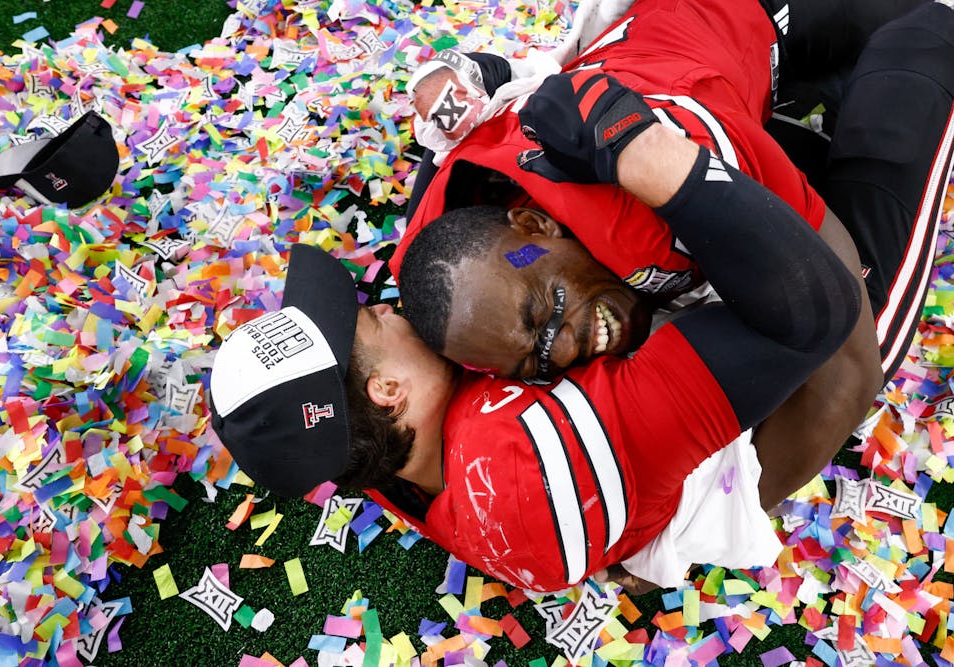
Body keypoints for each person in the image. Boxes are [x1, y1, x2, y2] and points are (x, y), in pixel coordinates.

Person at [209, 75, 863, 592]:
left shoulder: (375, 454)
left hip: (635, 433)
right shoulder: (532, 459)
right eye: (373, 318)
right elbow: (811, 325)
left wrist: (469, 84)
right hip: (770, 385)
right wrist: (647, 152)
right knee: (908, 79)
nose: (390, 308)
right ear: (385, 389)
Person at [395, 0, 942, 386]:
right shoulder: (446, 262)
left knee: (855, 332)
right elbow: (455, 104)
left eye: (543, 316)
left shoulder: (649, 202)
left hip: (751, 20)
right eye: (528, 365)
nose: (561, 352)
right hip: (695, 61)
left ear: (535, 226)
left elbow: (841, 340)